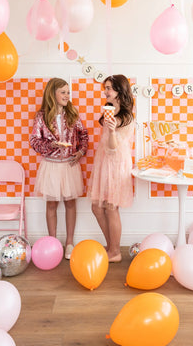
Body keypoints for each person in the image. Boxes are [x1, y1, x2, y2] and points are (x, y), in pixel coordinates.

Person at [30, 77, 88, 259]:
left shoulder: (72, 114)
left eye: (68, 92)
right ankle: (52, 242)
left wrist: (80, 152)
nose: (67, 95)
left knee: (71, 203)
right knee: (52, 204)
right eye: (63, 92)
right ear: (52, 93)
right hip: (51, 166)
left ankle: (69, 242)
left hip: (70, 165)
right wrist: (52, 146)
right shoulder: (42, 116)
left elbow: (84, 134)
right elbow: (34, 141)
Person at [88, 74, 135, 263]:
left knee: (110, 207)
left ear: (119, 91)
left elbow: (114, 148)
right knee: (97, 207)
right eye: (105, 87)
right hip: (104, 162)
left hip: (116, 164)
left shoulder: (125, 117)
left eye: (109, 88)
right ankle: (111, 248)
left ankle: (114, 250)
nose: (105, 91)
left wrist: (113, 130)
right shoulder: (109, 110)